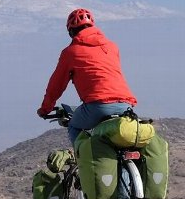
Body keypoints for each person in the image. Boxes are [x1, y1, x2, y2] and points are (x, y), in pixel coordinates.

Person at [37, 8, 138, 146]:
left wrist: (45, 109)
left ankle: (85, 163)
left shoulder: (71, 52)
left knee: (74, 126)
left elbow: (56, 85)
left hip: (98, 106)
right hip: (126, 105)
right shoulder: (112, 47)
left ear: (71, 31)